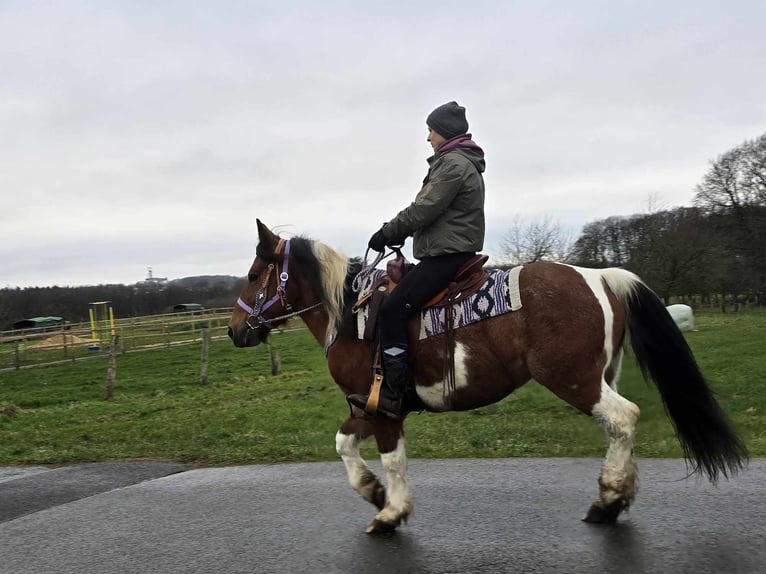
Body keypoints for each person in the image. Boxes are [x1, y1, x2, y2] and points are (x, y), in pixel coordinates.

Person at [347, 101, 486, 420]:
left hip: (447, 256)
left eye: (431, 130)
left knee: (394, 310)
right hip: (450, 250)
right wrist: (403, 234)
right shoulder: (461, 161)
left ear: (445, 132)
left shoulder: (452, 164)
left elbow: (424, 208)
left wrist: (387, 232)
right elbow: (433, 212)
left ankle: (395, 394)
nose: (428, 137)